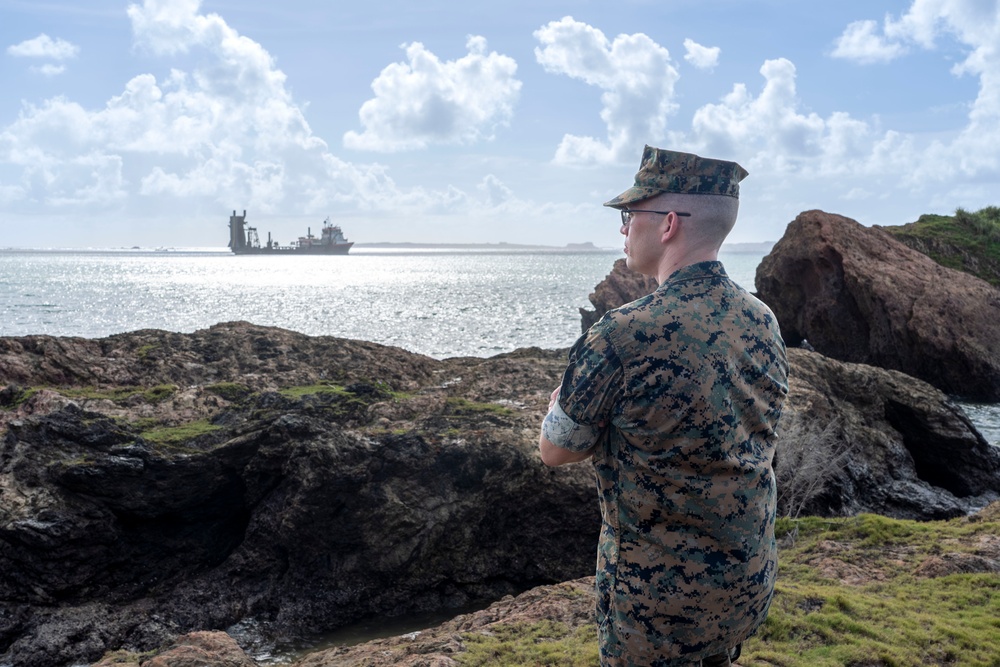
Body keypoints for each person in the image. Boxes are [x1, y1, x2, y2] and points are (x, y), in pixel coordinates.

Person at [538, 146, 788, 666]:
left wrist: (559, 402)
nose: (623, 230)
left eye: (629, 216)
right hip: (744, 578)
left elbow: (555, 450)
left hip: (656, 605)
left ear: (668, 223)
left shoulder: (622, 333)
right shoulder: (762, 319)